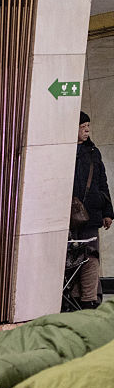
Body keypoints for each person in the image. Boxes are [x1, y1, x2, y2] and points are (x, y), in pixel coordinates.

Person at [70, 111, 113, 310]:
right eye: (82, 126)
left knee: (90, 255)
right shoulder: (65, 152)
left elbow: (101, 184)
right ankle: (74, 297)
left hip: (91, 214)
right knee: (71, 259)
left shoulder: (93, 152)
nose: (87, 130)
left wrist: (107, 212)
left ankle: (89, 300)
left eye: (88, 126)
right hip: (67, 216)